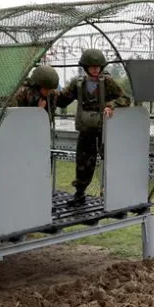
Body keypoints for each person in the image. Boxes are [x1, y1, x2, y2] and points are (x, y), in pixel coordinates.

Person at [55, 49, 130, 205]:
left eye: (97, 66)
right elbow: (62, 100)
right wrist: (50, 93)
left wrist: (111, 105)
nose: (95, 69)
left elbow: (125, 99)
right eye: (91, 66)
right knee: (83, 162)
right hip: (86, 130)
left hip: (105, 131)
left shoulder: (107, 82)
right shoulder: (78, 83)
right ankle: (80, 194)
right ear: (85, 67)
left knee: (111, 160)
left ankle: (117, 194)